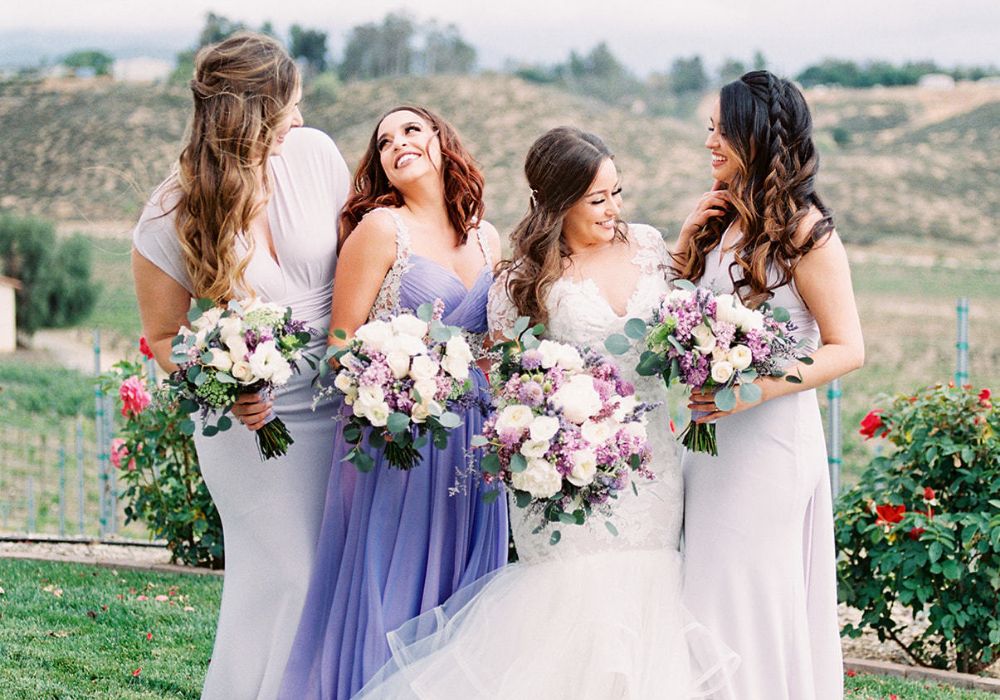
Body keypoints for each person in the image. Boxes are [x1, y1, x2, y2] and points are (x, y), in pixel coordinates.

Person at [352, 126, 737, 699]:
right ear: (557, 205)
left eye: (618, 193)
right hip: (561, 477)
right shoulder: (522, 282)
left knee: (647, 602)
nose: (614, 210)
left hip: (652, 470)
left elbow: (678, 329)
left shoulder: (652, 249)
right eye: (597, 200)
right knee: (569, 613)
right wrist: (551, 437)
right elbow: (507, 388)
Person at [130, 32, 350, 699]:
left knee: (329, 580)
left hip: (339, 403)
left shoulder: (314, 155)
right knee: (285, 575)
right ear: (251, 112)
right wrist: (223, 386)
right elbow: (163, 336)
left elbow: (363, 265)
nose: (301, 122)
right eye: (289, 108)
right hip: (253, 426)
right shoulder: (173, 211)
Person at [278, 105, 509, 699]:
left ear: (441, 139)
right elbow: (340, 342)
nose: (398, 144)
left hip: (475, 440)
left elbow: (495, 344)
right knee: (400, 577)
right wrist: (396, 383)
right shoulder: (381, 229)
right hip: (403, 438)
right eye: (384, 141)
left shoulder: (488, 235)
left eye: (411, 130)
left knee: (466, 590)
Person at [676, 70, 864, 699]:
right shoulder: (717, 221)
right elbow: (677, 315)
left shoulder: (806, 233)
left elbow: (848, 348)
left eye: (720, 131)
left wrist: (755, 389)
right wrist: (684, 246)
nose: (710, 144)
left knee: (748, 588)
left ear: (753, 137)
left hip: (770, 444)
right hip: (708, 444)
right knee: (704, 581)